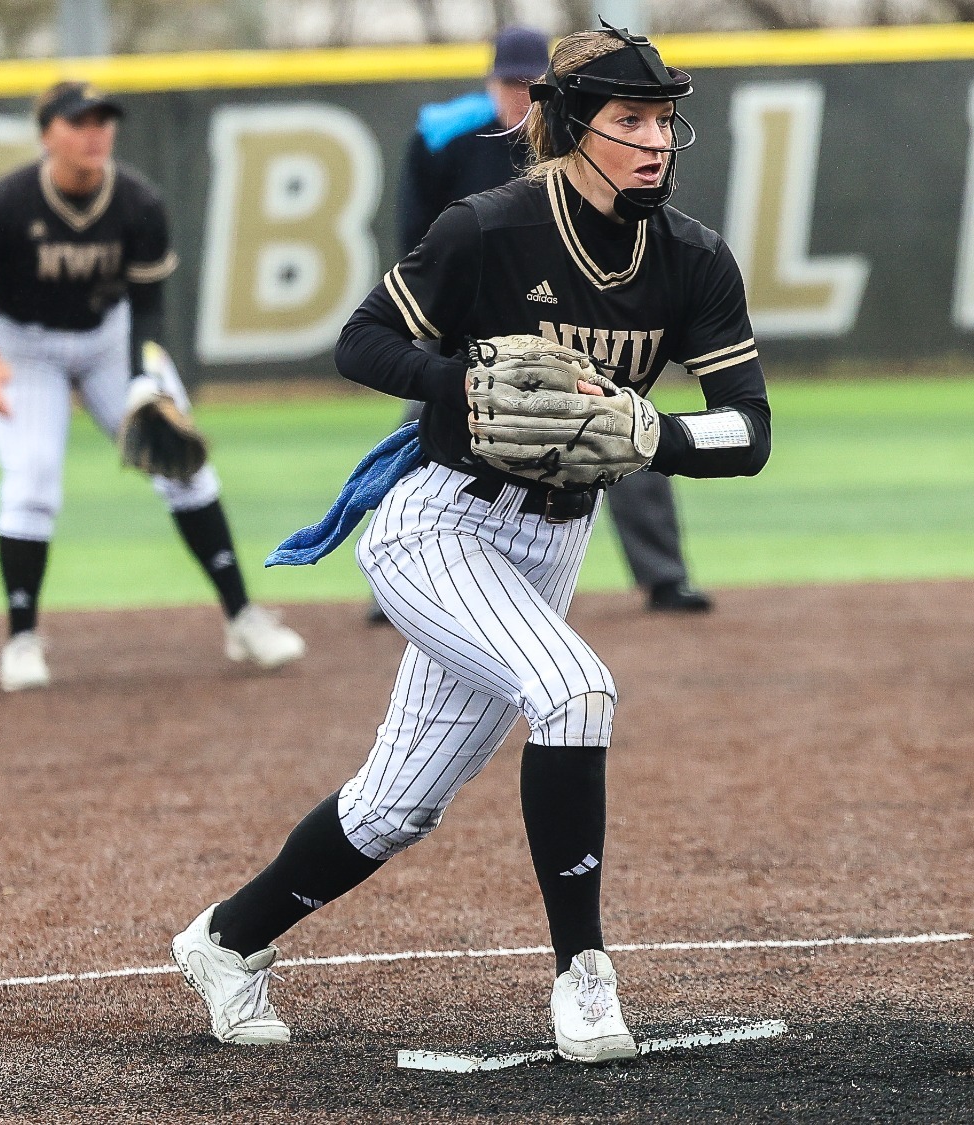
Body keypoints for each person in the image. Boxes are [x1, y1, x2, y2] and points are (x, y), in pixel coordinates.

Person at [171, 24, 770, 1062]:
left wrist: (654, 434)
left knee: (395, 807)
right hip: (440, 520)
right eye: (629, 118)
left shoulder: (691, 258)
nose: (653, 139)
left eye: (663, 119)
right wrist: (461, 382)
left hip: (552, 541)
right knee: (574, 689)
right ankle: (582, 975)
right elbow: (360, 339)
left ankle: (226, 939)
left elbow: (750, 431)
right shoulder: (487, 228)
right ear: (572, 125)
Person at [0, 80, 305, 693]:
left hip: (111, 339)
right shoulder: (6, 204)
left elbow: (148, 304)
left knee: (183, 465)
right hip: (23, 348)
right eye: (79, 121)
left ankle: (243, 618)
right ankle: (22, 639)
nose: (96, 133)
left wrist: (141, 377)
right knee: (30, 480)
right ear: (47, 133)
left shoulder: (137, 202)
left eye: (103, 121)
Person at [364, 24, 712, 624]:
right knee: (428, 425)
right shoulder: (445, 134)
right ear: (490, 83)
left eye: (531, 83)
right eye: (509, 82)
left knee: (620, 424)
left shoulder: (569, 133)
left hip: (573, 316)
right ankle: (396, 584)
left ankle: (664, 576)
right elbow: (416, 230)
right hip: (469, 319)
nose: (519, 95)